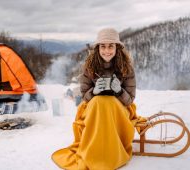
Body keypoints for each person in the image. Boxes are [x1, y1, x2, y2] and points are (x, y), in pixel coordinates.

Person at [52, 28, 143, 170]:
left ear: (117, 48)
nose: (107, 51)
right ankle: (97, 153)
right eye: (103, 46)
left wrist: (119, 90)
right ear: (98, 48)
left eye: (111, 46)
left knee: (107, 102)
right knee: (99, 102)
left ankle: (108, 154)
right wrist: (94, 91)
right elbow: (84, 97)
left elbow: (130, 100)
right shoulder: (89, 67)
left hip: (118, 110)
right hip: (94, 109)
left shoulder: (127, 68)